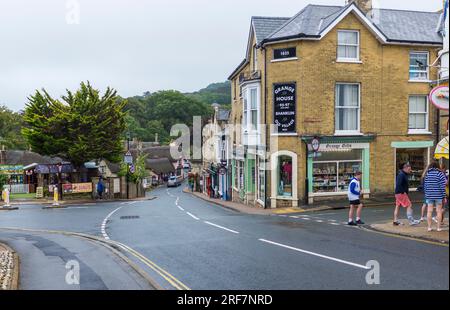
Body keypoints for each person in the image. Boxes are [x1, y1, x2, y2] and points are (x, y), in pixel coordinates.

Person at [423, 161, 447, 232]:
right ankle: (438, 228)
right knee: (439, 211)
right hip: (438, 195)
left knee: (429, 211)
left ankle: (429, 227)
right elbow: (442, 186)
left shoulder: (427, 174)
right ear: (437, 167)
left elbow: (425, 186)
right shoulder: (440, 174)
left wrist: (426, 194)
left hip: (429, 195)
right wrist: (444, 196)